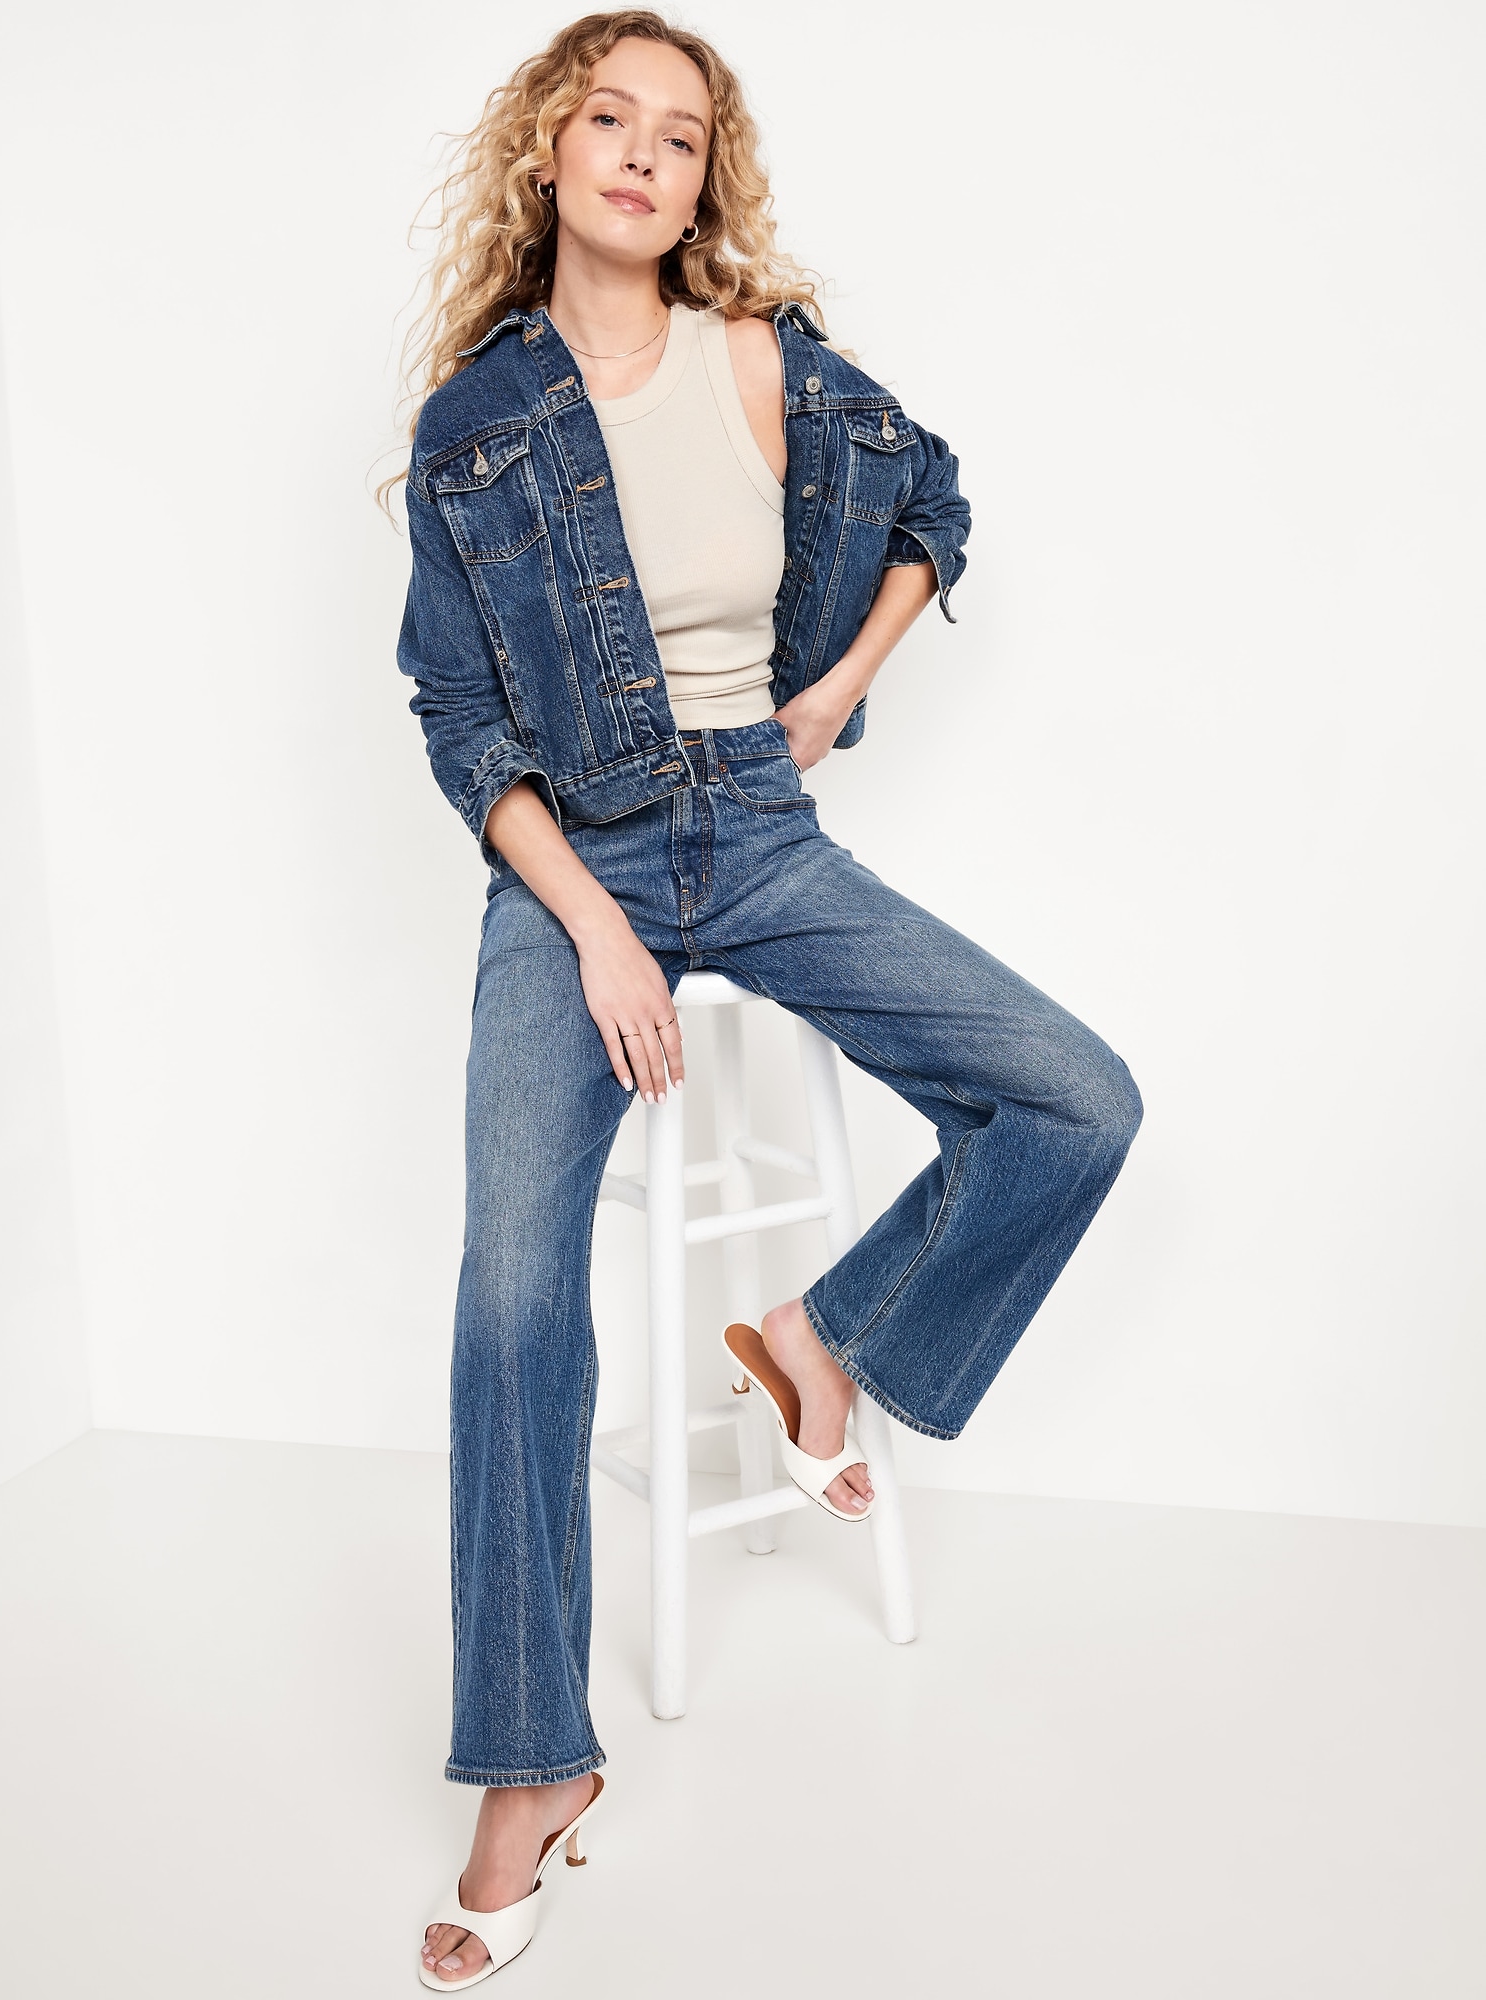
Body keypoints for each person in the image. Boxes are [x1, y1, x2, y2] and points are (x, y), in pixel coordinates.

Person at [386, 11, 1142, 1985]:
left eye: (682, 134)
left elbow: (933, 504)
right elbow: (461, 721)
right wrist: (595, 926)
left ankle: (819, 1333)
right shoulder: (478, 421)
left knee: (1078, 1098)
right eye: (610, 118)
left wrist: (835, 690)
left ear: (703, 181)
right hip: (571, 872)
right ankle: (532, 1763)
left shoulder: (765, 362)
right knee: (511, 1299)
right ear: (551, 149)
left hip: (762, 828)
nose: (645, 154)